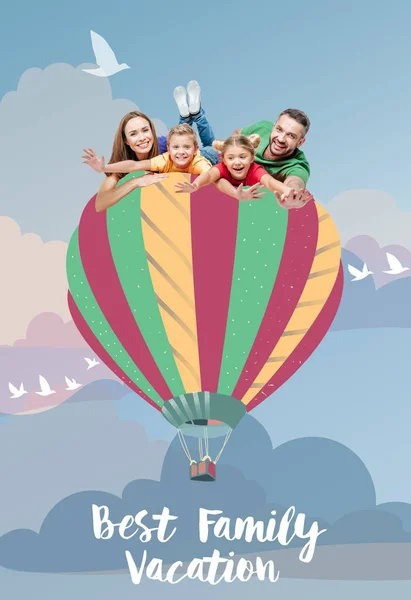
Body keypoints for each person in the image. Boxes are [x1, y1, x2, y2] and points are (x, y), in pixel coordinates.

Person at [175, 134, 311, 208]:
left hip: (225, 157)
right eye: (231, 158)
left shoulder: (255, 170)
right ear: (224, 159)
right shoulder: (221, 166)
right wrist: (195, 185)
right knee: (217, 177)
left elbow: (270, 182)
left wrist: (288, 191)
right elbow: (209, 175)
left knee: (219, 178)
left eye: (242, 157)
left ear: (252, 158)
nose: (237, 162)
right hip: (209, 155)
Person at [83, 110, 168, 212]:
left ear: (152, 131)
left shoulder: (167, 147)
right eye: (133, 134)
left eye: (145, 130)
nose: (142, 138)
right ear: (126, 140)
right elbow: (100, 203)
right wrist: (136, 181)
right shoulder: (121, 168)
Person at [234, 110, 312, 208]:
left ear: (300, 142)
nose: (280, 139)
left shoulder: (297, 165)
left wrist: (292, 196)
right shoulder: (262, 128)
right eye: (279, 129)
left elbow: (295, 182)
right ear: (273, 127)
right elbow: (237, 133)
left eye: (291, 136)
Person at [83, 123, 213, 177]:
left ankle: (198, 115)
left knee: (212, 145)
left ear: (195, 150)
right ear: (168, 149)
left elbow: (213, 178)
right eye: (175, 147)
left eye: (186, 147)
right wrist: (104, 168)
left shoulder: (200, 163)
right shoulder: (164, 160)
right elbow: (134, 165)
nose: (180, 152)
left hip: (211, 156)